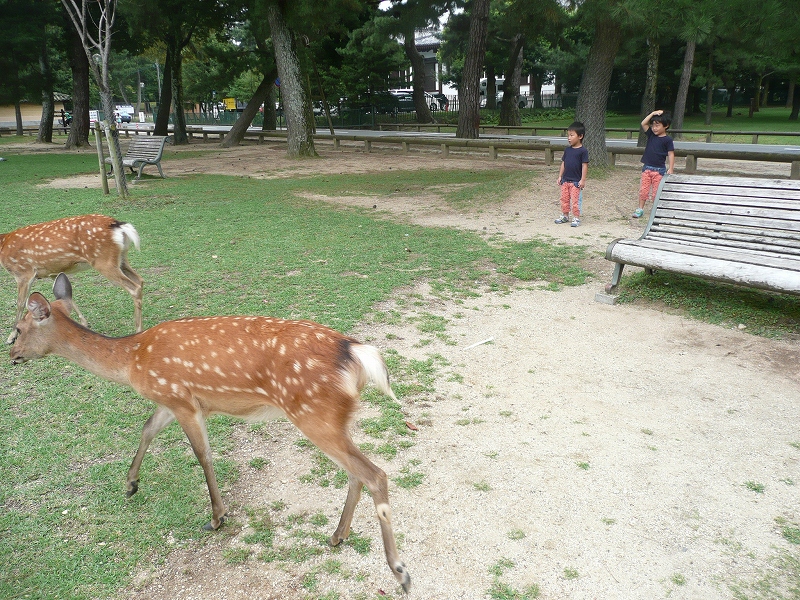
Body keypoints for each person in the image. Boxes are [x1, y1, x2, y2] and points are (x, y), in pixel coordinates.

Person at [633, 109, 675, 218]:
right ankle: (640, 209)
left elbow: (671, 154)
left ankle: (655, 210)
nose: (654, 128)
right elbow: (643, 123)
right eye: (653, 125)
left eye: (657, 125)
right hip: (647, 168)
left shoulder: (667, 140)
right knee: (643, 190)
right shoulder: (651, 135)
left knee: (656, 193)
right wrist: (652, 113)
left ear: (666, 126)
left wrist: (671, 168)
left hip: (659, 170)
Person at [554, 121, 589, 227]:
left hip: (575, 182)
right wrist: (560, 176)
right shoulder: (567, 150)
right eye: (568, 135)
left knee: (575, 200)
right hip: (565, 180)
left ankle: (576, 217)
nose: (569, 138)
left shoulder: (583, 151)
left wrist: (582, 180)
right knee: (564, 199)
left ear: (580, 136)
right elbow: (563, 163)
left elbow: (584, 166)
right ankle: (565, 215)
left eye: (571, 135)